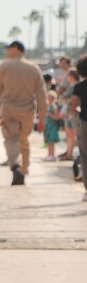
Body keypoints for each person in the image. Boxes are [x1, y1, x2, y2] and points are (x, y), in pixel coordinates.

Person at [0, 40, 47, 186]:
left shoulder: (5, 66)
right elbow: (41, 94)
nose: (7, 52)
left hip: (9, 109)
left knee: (11, 139)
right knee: (24, 140)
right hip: (28, 111)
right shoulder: (33, 68)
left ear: (15, 49)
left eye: (9, 49)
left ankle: (15, 166)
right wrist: (43, 118)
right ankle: (24, 168)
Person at [68, 54, 87, 200]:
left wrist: (80, 111)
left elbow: (73, 108)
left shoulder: (79, 87)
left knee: (84, 156)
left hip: (85, 123)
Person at [58, 65, 78, 161]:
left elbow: (76, 99)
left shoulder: (77, 86)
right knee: (69, 134)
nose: (67, 78)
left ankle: (71, 153)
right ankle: (69, 153)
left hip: (73, 113)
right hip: (68, 112)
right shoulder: (71, 86)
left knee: (74, 134)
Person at [42, 91, 62, 161]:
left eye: (50, 98)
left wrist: (49, 114)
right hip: (47, 126)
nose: (48, 99)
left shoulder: (54, 107)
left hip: (53, 126)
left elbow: (57, 117)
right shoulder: (47, 106)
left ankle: (52, 155)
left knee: (51, 141)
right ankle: (49, 154)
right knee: (48, 141)